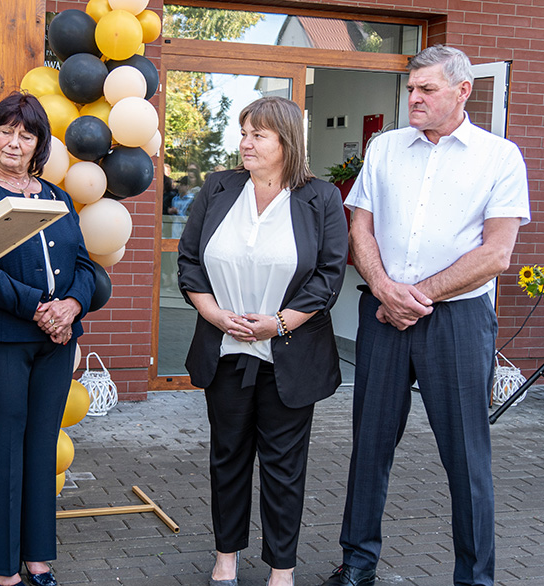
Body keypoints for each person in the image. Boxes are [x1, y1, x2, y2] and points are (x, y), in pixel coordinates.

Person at [321, 45, 530, 586]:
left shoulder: (499, 157)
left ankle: (474, 578)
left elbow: (496, 254)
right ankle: (357, 564)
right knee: (370, 446)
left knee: (466, 455)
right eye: (411, 88)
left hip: (457, 321)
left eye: (427, 89)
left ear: (463, 91)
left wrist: (417, 296)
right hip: (383, 314)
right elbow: (360, 226)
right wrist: (385, 289)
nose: (413, 98)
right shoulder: (385, 148)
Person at [178, 96, 348, 586]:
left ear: (287, 142)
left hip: (289, 356)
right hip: (226, 351)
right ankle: (225, 559)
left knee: (283, 468)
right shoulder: (219, 187)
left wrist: (278, 323)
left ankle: (282, 570)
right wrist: (215, 314)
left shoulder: (321, 198)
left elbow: (328, 275)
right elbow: (189, 260)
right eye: (244, 133)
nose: (245, 143)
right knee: (227, 459)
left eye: (258, 135)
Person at [0, 92, 96, 586]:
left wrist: (71, 307)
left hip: (57, 339)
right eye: (6, 131)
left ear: (39, 144)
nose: (15, 142)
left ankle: (37, 555)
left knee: (42, 444)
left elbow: (84, 265)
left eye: (26, 134)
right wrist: (40, 308)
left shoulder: (57, 196)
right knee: (3, 445)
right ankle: (0, 564)